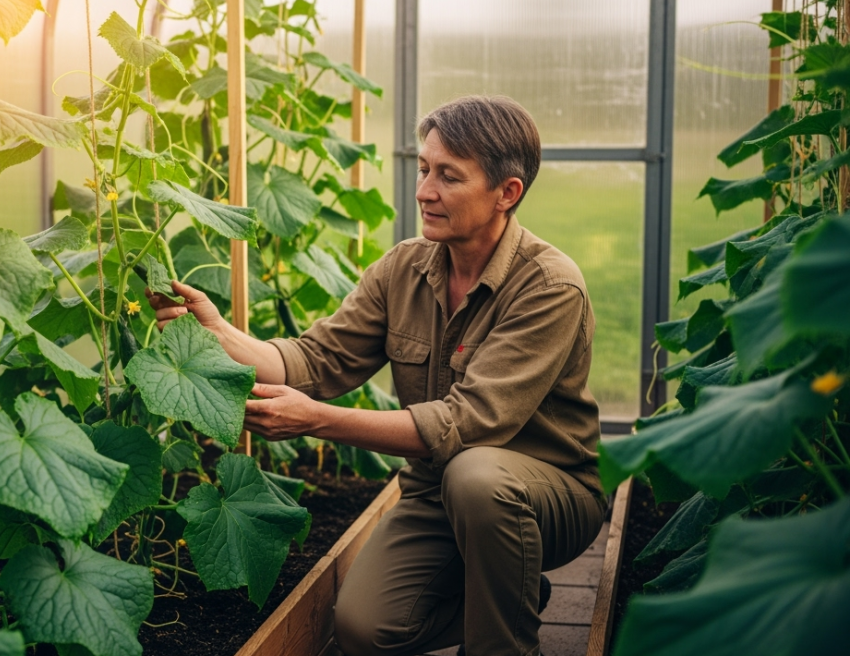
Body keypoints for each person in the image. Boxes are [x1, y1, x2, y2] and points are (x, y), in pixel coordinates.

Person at [147, 95, 606, 656]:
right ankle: (508, 589)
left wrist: (316, 421)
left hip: (546, 495)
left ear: (506, 193)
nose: (424, 191)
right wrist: (220, 335)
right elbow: (315, 361)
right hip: (437, 493)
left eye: (449, 177)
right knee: (367, 628)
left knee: (477, 475)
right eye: (424, 169)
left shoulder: (549, 286)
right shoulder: (403, 268)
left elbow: (468, 423)